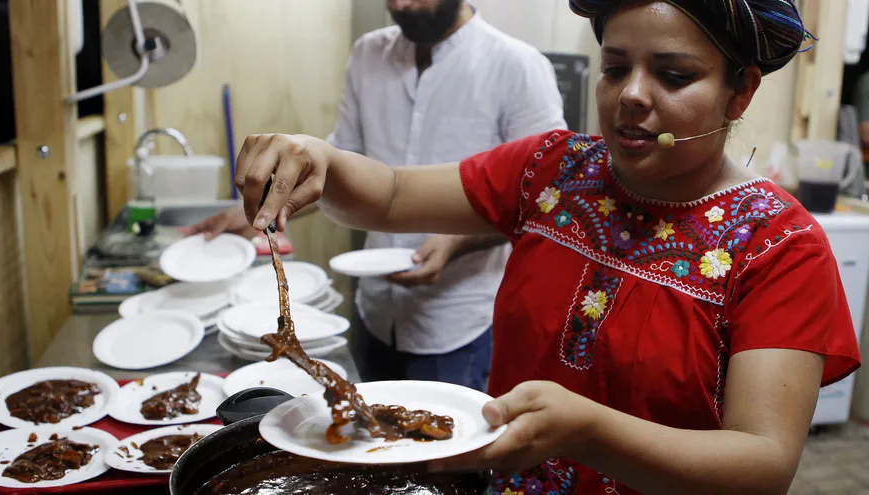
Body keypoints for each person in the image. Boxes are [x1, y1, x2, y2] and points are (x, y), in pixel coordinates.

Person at [236, 1, 863, 493]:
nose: (632, 95)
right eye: (616, 67)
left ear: (741, 90)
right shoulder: (553, 171)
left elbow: (762, 465)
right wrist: (318, 156)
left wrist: (589, 433)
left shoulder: (779, 246)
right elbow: (394, 195)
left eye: (674, 75)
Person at [188, 0, 566, 392]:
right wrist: (259, 207)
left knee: (438, 449)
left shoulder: (517, 65)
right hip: (374, 310)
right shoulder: (368, 54)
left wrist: (457, 242)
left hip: (456, 320)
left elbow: (543, 196)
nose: (402, 4)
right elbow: (333, 170)